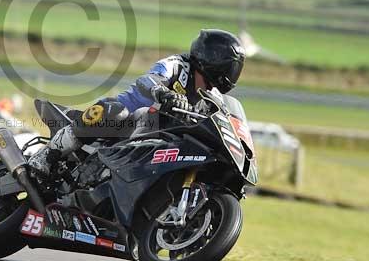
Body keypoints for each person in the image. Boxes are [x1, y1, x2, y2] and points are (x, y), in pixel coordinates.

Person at [28, 29, 246, 176]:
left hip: (157, 139)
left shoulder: (213, 98)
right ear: (212, 60)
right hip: (122, 121)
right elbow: (148, 80)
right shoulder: (177, 65)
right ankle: (47, 155)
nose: (231, 73)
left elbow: (223, 121)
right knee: (117, 112)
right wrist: (163, 93)